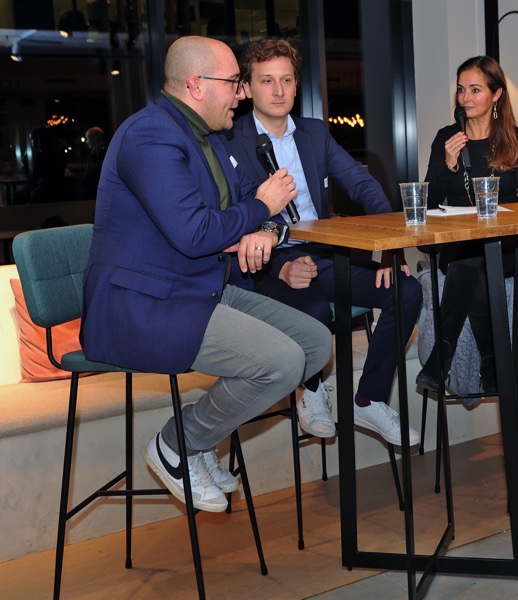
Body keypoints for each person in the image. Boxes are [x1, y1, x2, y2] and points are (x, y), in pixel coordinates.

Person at [81, 36, 333, 513]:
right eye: (235, 82)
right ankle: (178, 443)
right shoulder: (150, 136)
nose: (242, 93)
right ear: (196, 85)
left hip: (201, 288)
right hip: (144, 302)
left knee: (316, 344)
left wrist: (261, 227)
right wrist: (260, 210)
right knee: (281, 362)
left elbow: (259, 205)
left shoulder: (214, 137)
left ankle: (195, 445)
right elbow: (198, 232)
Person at [221, 39, 423, 446]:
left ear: (297, 85)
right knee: (312, 310)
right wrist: (280, 266)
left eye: (286, 80)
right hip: (264, 265)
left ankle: (368, 399)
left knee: (406, 290)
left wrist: (390, 247)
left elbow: (363, 184)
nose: (278, 90)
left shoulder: (313, 132)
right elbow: (230, 222)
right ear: (248, 87)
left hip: (325, 254)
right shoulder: (229, 140)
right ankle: (311, 390)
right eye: (267, 80)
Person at [415, 55, 518, 394]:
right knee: (471, 260)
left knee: (470, 263)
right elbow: (427, 202)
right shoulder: (447, 138)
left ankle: (443, 356)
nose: (465, 98)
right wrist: (448, 164)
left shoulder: (514, 139)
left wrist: (501, 215)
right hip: (460, 245)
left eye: (475, 89)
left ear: (496, 94)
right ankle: (491, 363)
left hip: (510, 245)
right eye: (461, 90)